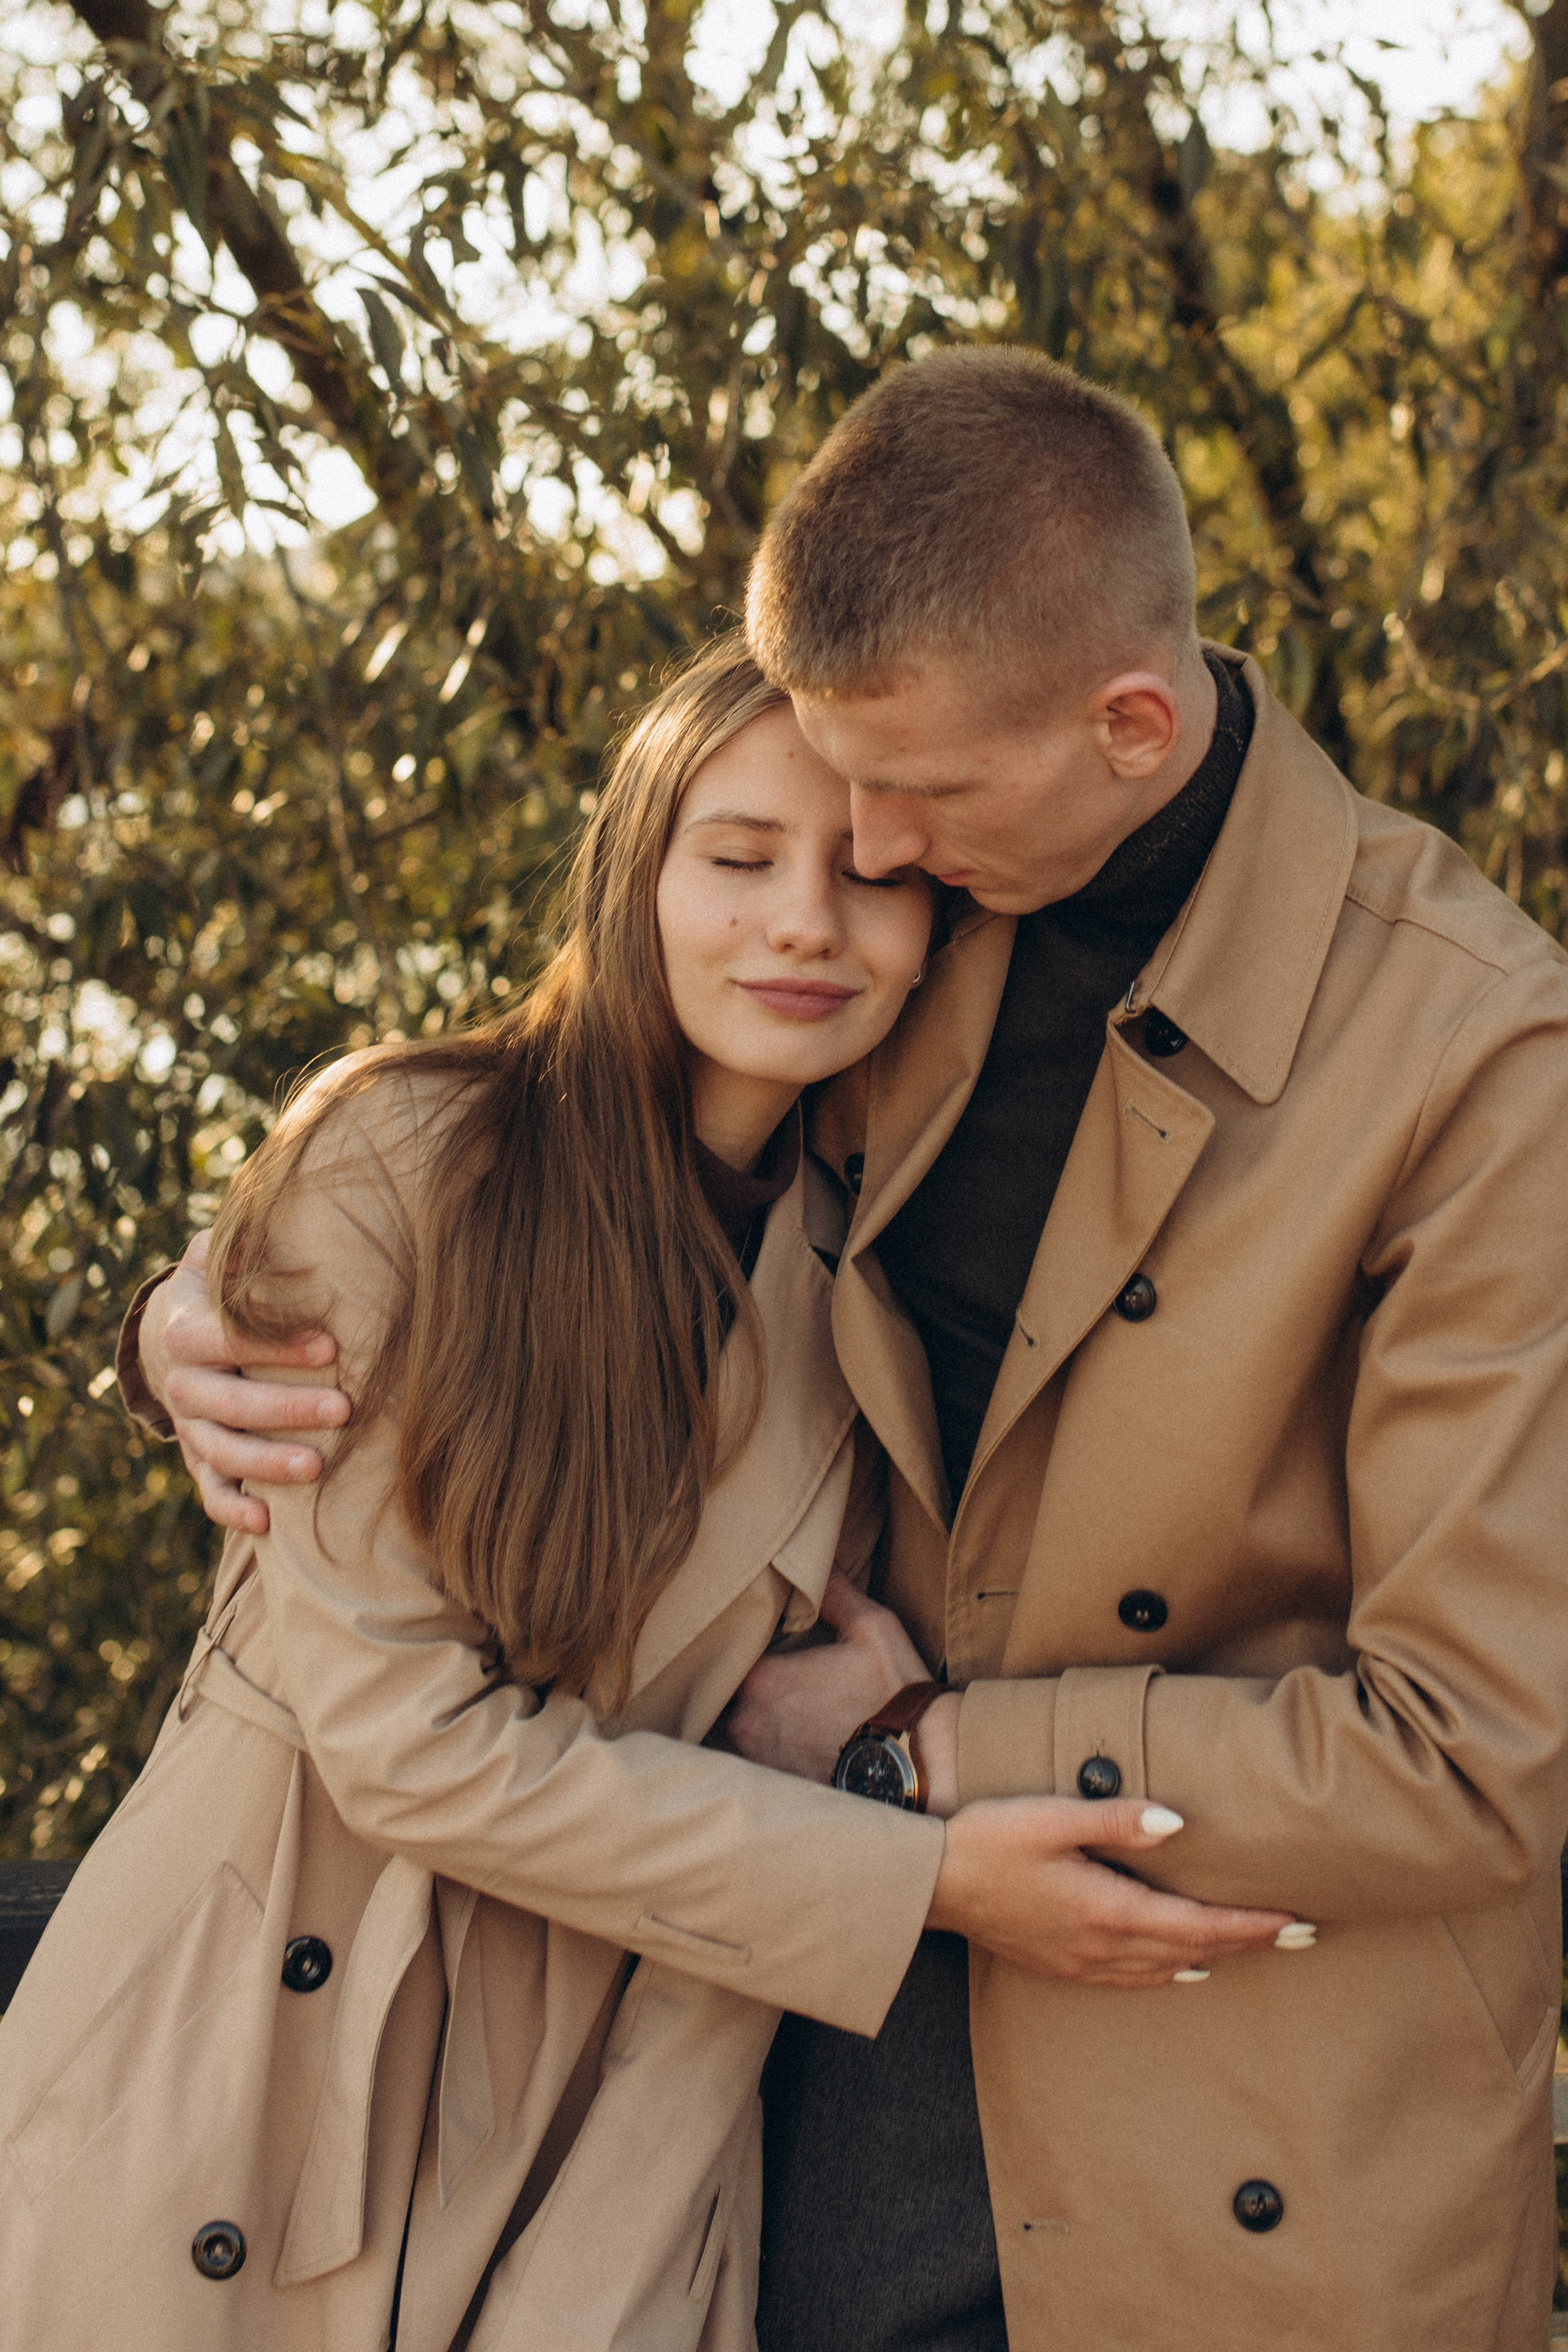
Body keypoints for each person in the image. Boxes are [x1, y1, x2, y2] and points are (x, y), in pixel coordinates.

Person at [116, 344, 1568, 2350]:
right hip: (808, 2049)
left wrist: (926, 1756)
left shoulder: (1486, 1063)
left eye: (906, 799)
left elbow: (1480, 1748)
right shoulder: (943, 873)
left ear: (1129, 724)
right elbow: (584, 1157)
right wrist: (217, 1290)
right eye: (816, 786)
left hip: (1240, 2068)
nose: (856, 849)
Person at [2, 630, 1289, 2352]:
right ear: (639, 872)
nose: (804, 926)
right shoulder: (403, 1161)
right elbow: (409, 1745)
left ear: (942, 930)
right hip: (235, 2067)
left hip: (596, 2104)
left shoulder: (873, 1303)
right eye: (739, 858)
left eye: (871, 878)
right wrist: (920, 1883)